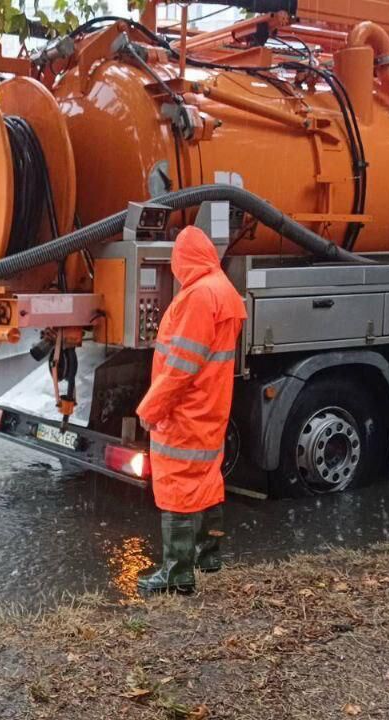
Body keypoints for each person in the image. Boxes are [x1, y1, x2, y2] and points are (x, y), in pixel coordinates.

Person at [135, 225, 247, 596]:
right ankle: (208, 554)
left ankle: (177, 572)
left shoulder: (198, 297)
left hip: (185, 407)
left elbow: (181, 365)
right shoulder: (224, 292)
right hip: (211, 402)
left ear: (183, 260)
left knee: (179, 483)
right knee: (207, 478)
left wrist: (151, 407)